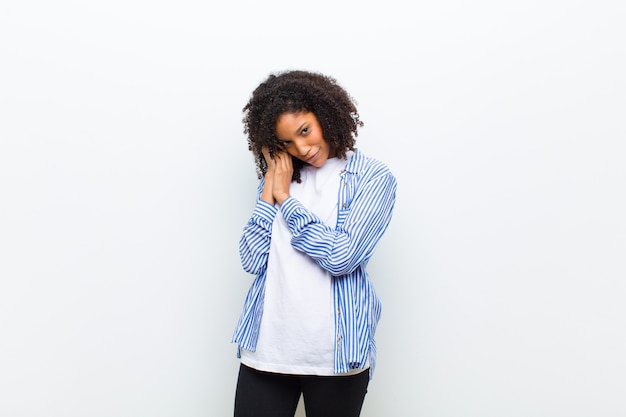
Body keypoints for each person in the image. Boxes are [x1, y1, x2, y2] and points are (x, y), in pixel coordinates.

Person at [231, 70, 397, 417]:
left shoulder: (372, 178)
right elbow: (252, 260)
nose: (302, 148)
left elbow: (342, 256)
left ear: (325, 114)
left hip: (334, 358)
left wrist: (286, 202)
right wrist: (268, 193)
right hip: (268, 351)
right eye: (287, 142)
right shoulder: (281, 176)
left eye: (305, 131)